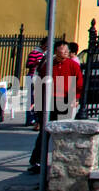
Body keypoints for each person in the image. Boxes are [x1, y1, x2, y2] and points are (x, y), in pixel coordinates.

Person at [27, 41, 82, 175]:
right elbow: (40, 82)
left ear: (68, 52)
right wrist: (36, 101)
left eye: (64, 51)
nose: (62, 54)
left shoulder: (73, 65)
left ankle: (62, 161)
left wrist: (76, 98)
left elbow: (79, 83)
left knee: (63, 132)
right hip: (48, 101)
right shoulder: (48, 65)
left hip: (64, 101)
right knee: (44, 132)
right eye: (59, 52)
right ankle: (37, 161)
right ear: (55, 52)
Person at [24, 43, 46, 125]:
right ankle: (30, 119)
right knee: (31, 99)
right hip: (33, 77)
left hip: (41, 78)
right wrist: (36, 63)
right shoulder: (34, 53)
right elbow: (28, 65)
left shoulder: (47, 54)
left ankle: (37, 119)